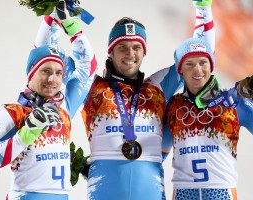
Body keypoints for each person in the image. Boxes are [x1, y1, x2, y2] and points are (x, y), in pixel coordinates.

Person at [76, 0, 215, 199]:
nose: (130, 53)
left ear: (144, 52)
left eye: (136, 47)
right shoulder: (93, 87)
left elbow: (202, 52)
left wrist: (203, 8)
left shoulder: (157, 87)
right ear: (111, 51)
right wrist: (55, 21)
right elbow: (49, 64)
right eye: (122, 47)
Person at [0, 7, 97, 200]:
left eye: (58, 73)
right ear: (31, 73)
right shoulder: (11, 113)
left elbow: (88, 67)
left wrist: (70, 25)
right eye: (45, 71)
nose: (52, 79)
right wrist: (26, 133)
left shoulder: (64, 108)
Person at [163, 37, 253, 199]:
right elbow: (159, 154)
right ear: (180, 69)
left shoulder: (235, 101)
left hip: (220, 192)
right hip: (183, 192)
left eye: (203, 63)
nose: (198, 70)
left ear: (211, 66)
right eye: (189, 64)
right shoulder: (174, 106)